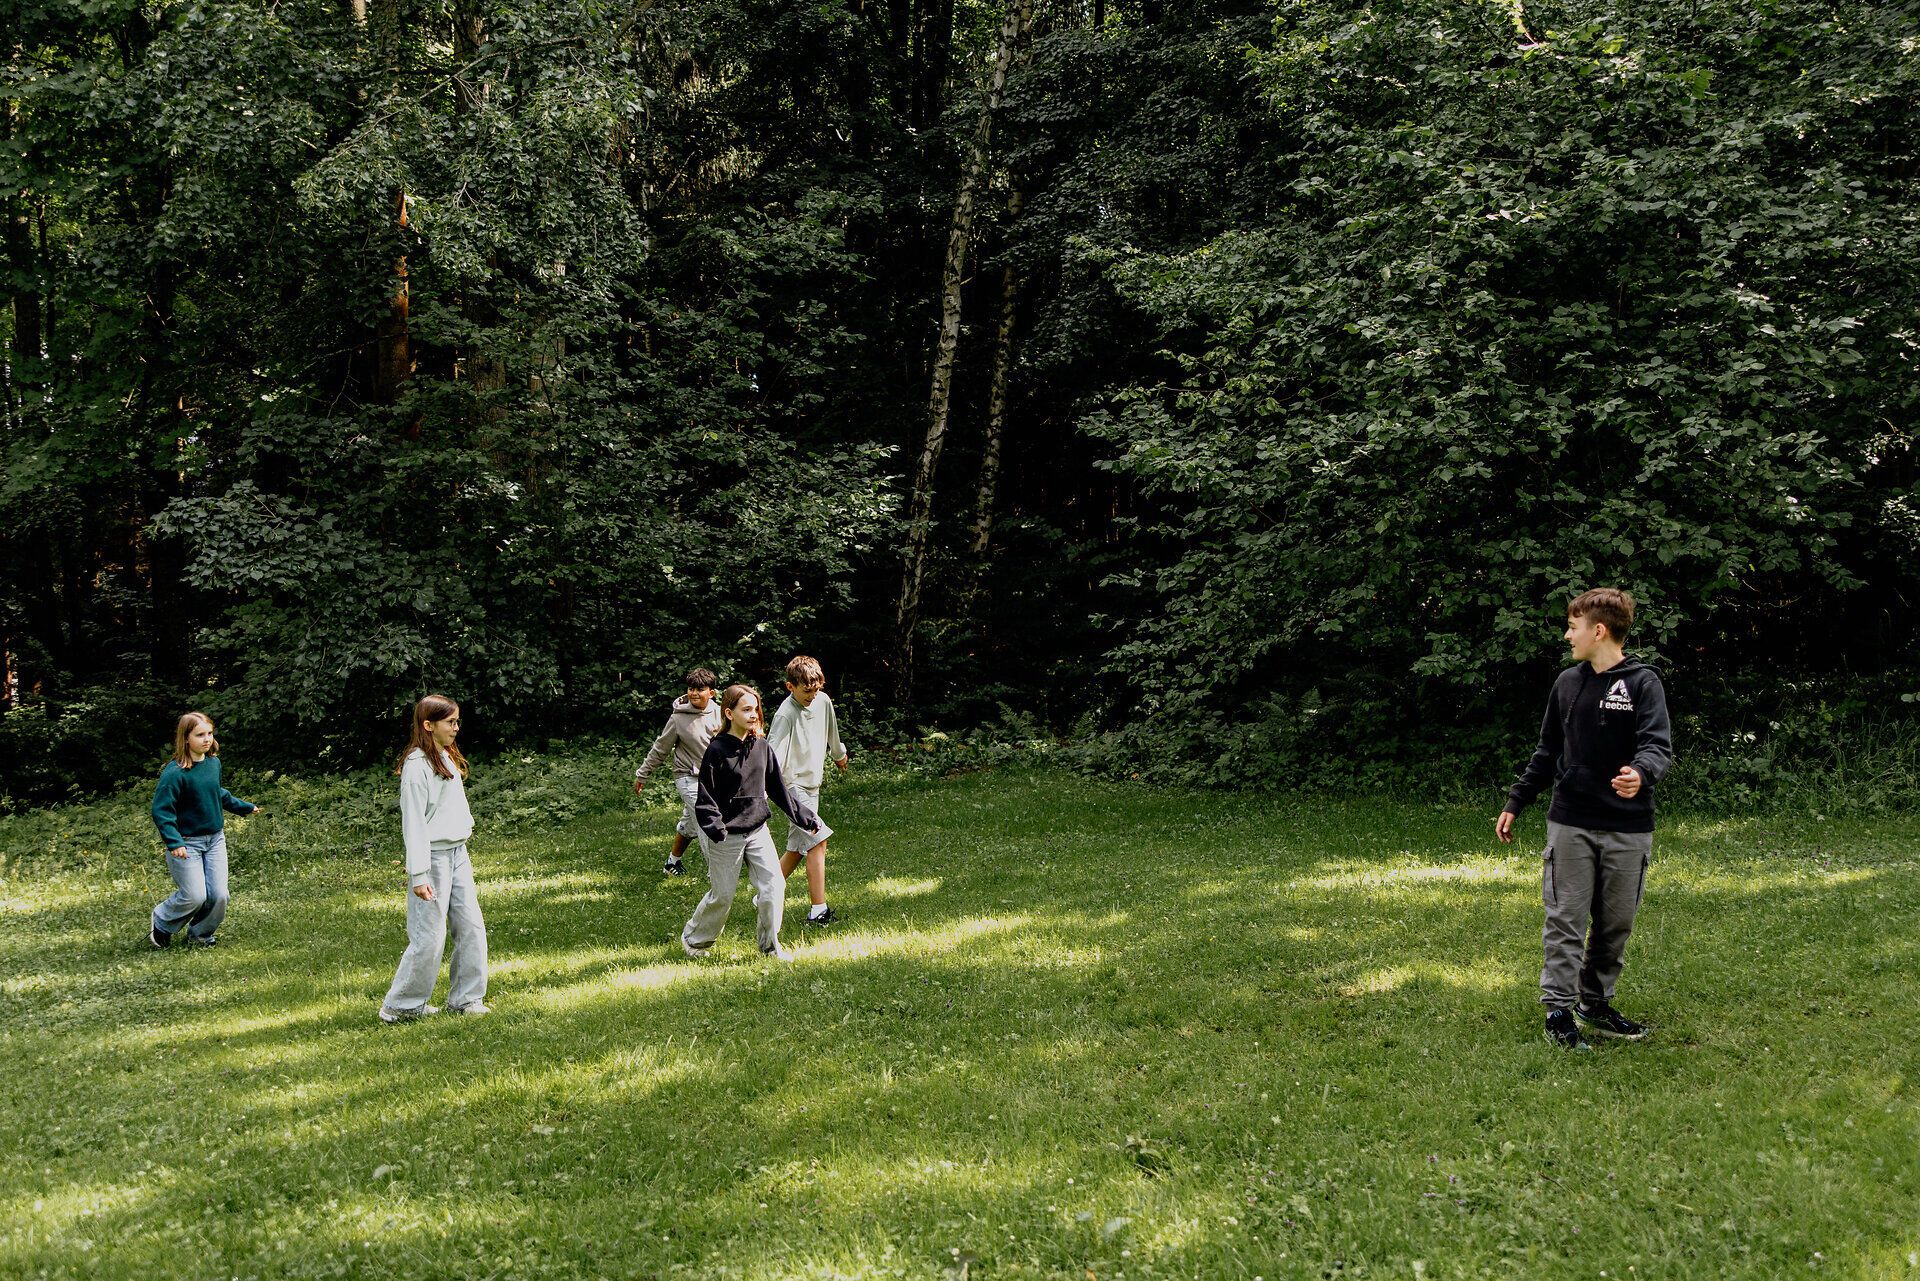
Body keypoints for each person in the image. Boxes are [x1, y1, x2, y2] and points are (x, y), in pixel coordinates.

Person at [1496, 588, 1672, 1051]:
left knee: (1615, 925)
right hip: (1571, 822)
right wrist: (1517, 801)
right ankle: (1558, 1010)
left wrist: (1641, 773)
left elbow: (1657, 745)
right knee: (1565, 920)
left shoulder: (1643, 683)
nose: (1567, 635)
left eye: (1572, 626)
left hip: (1628, 827)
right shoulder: (1567, 683)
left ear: (1599, 631)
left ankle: (1594, 1003)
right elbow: (1547, 750)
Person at [682, 684, 818, 962]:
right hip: (725, 835)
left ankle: (769, 947)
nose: (753, 714)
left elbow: (778, 789)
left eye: (755, 709)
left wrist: (804, 817)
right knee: (722, 896)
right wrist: (715, 826)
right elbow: (705, 797)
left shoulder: (761, 747)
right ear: (729, 713)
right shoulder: (717, 750)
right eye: (746, 709)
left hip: (757, 831)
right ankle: (695, 940)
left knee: (774, 885)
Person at [380, 694, 490, 1023]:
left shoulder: (444, 756)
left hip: (458, 853)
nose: (456, 728)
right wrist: (419, 875)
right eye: (450, 722)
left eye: (457, 722)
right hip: (433, 859)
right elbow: (413, 824)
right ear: (428, 725)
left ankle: (466, 999)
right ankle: (401, 1006)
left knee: (471, 927)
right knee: (429, 936)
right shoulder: (417, 767)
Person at [148, 712, 261, 949]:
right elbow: (161, 810)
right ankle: (162, 922)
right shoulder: (175, 773)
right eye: (200, 735)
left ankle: (200, 935)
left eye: (210, 733)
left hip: (215, 840)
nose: (207, 739)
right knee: (195, 896)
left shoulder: (213, 764)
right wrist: (174, 841)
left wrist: (243, 807)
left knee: (220, 895)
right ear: (185, 738)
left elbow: (216, 793)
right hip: (186, 842)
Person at [767, 655, 850, 927]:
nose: (812, 696)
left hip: (812, 785)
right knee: (817, 841)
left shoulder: (822, 701)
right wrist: (763, 792)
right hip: (793, 787)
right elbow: (771, 758)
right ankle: (818, 911)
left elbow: (832, 732)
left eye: (816, 689)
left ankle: (767, 893)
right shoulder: (785, 715)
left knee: (797, 848)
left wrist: (839, 755)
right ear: (790, 687)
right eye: (806, 691)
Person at [633, 667, 723, 876]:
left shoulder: (721, 714)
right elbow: (660, 748)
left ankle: (671, 863)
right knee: (706, 819)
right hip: (688, 776)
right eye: (691, 688)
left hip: (713, 779)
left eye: (700, 689)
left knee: (690, 823)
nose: (694, 693)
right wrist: (643, 774)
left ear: (711, 693)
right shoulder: (678, 718)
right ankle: (717, 874)